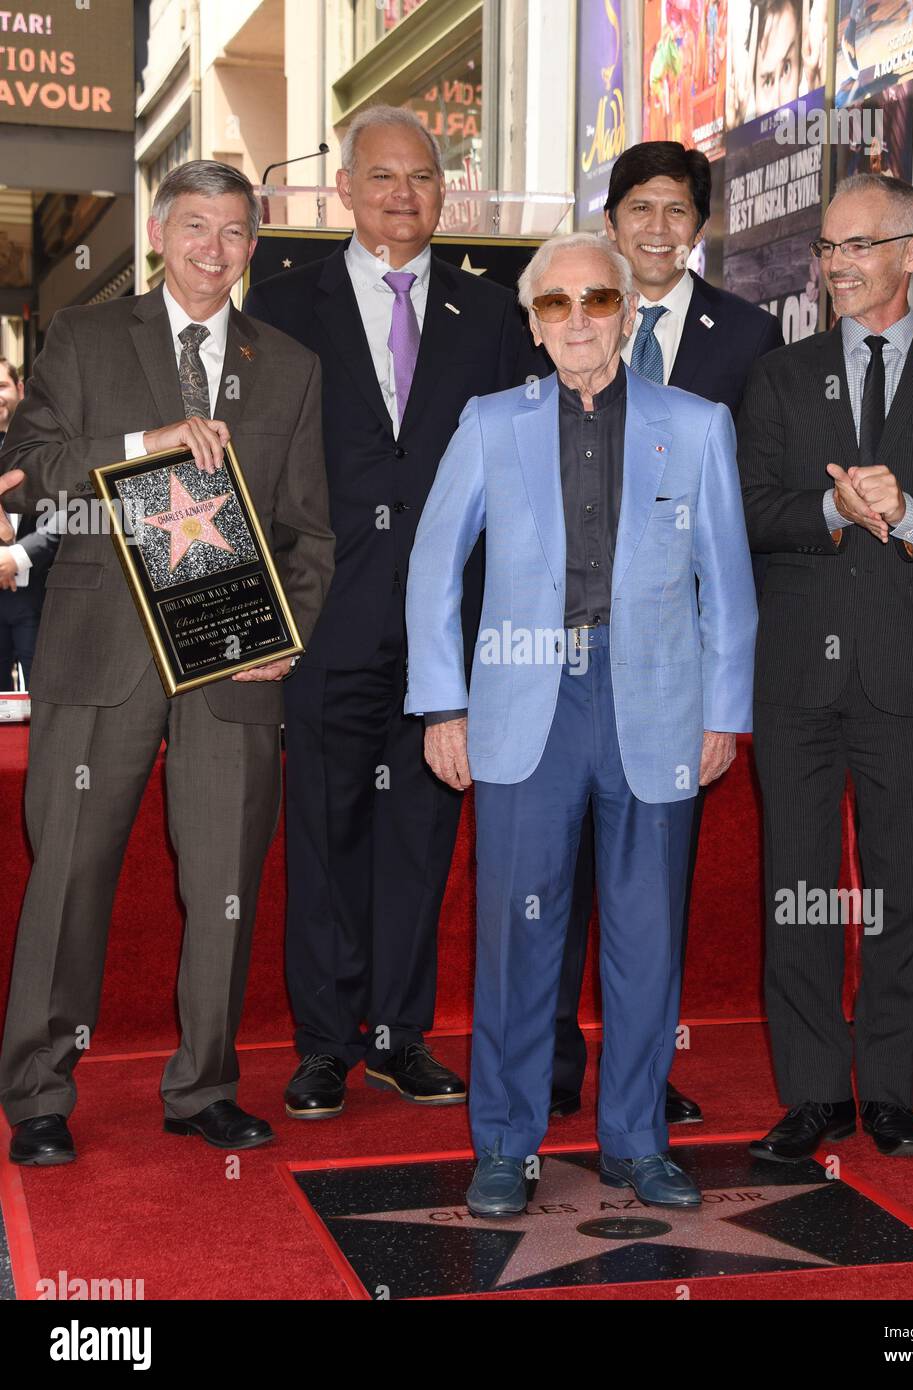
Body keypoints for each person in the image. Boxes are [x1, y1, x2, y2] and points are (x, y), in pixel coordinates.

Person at [405, 232, 757, 1215]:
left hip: (655, 704)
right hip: (524, 703)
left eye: (594, 300)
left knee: (646, 937)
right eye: (552, 304)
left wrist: (724, 710)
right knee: (520, 938)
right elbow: (433, 567)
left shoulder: (694, 426)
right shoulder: (488, 422)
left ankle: (638, 1140)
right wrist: (442, 702)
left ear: (624, 312)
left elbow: (725, 580)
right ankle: (504, 1145)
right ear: (531, 321)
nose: (574, 321)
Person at [0, 160, 334, 1164]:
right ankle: (39, 1092)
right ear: (158, 232)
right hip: (99, 656)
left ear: (254, 245)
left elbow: (311, 534)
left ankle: (203, 1087)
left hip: (232, 665)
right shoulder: (88, 338)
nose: (213, 250)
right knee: (67, 874)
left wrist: (285, 637)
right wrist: (146, 440)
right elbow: (26, 478)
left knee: (227, 879)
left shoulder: (292, 366)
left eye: (235, 232)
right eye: (195, 227)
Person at [243, 106, 540, 1121]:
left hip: (451, 631)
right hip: (324, 619)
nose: (402, 195)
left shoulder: (491, 314)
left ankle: (396, 1037)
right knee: (325, 831)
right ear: (345, 191)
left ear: (443, 192)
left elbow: (519, 477)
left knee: (422, 831)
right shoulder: (281, 307)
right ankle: (323, 1044)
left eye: (421, 177)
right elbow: (252, 472)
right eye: (381, 178)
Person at [738, 173, 913, 1162]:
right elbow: (752, 511)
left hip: (909, 678)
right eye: (827, 247)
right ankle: (813, 1091)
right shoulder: (779, 376)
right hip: (796, 684)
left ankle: (893, 1092)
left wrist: (907, 519)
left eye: (858, 246)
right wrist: (829, 512)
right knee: (799, 889)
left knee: (905, 888)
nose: (836, 265)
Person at [549, 140, 782, 1126]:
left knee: (654, 881)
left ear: (699, 225)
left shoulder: (748, 338)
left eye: (676, 211)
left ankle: (644, 1071)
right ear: (610, 221)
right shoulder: (563, 310)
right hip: (556, 646)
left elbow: (749, 512)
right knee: (550, 870)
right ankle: (547, 1059)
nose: (656, 228)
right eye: (638, 208)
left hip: (672, 659)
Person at [0, 355, 59, 687]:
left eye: (1, 386)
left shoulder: (49, 439)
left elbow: (71, 511)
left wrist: (15, 557)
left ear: (20, 388)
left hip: (37, 595)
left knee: (41, 696)